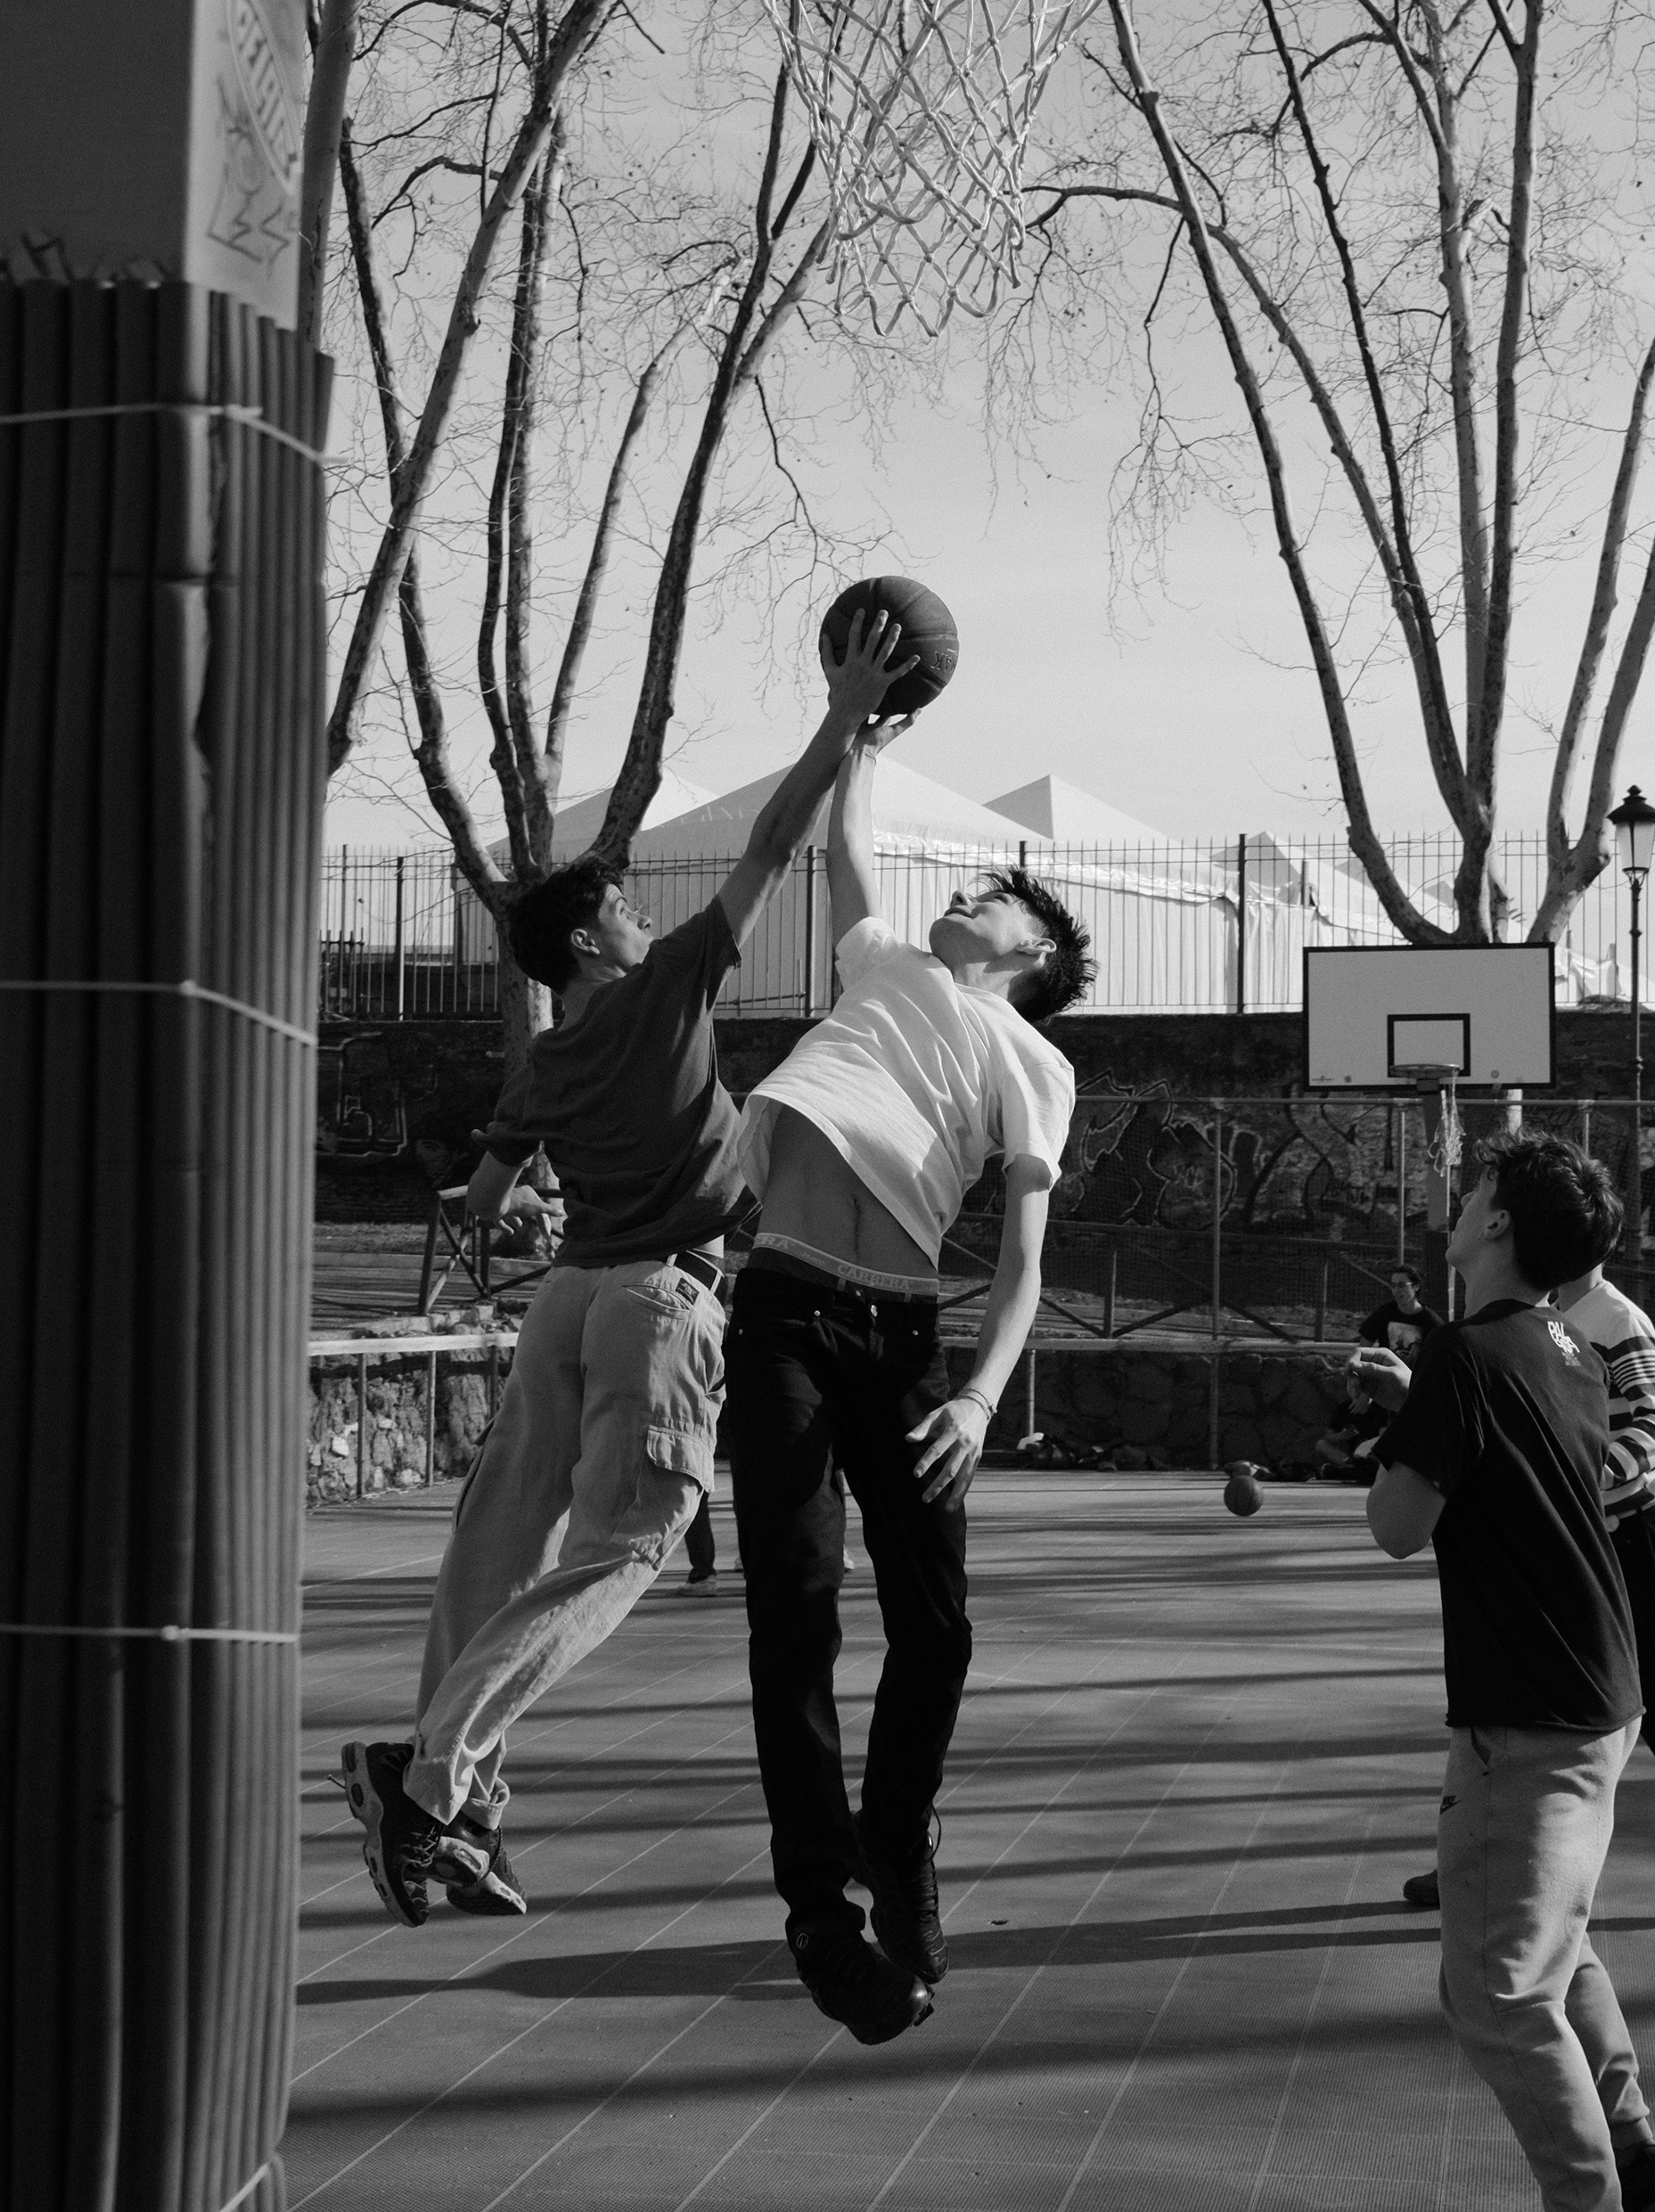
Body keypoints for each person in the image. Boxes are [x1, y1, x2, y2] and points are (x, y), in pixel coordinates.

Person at [338, 624, 908, 1928]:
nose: (643, 915)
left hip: (566, 1307)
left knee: (493, 1547)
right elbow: (774, 843)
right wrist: (843, 720)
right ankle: (424, 1779)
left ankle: (463, 1808)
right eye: (624, 907)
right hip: (658, 1300)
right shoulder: (662, 995)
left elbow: (484, 1207)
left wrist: (503, 1189)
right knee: (624, 1550)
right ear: (593, 944)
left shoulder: (542, 1062)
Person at [725, 712, 1094, 2046]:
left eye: (992, 890)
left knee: (936, 1629)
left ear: (1034, 950)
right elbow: (848, 847)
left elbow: (1027, 1266)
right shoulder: (881, 957)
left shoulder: (1032, 1062)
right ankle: (822, 1912)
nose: (963, 889)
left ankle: (900, 1835)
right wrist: (855, 729)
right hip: (779, 1313)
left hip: (901, 1348)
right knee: (797, 1612)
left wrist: (984, 1396)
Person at [1362, 1130, 1655, 2212]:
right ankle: (1638, 2162)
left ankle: (1591, 2197)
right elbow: (1528, 1470)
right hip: (1607, 1690)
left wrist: (1407, 1419)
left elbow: (1399, 1525)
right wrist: (1426, 1403)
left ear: (1498, 1222)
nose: (1459, 1198)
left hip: (1532, 1708)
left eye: (1477, 1188)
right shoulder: (1570, 1351)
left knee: (1495, 1992)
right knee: (1557, 1942)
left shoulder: (1465, 1354)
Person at [1388, 1205, 1655, 1922]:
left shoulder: (1614, 1318)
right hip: (1588, 1528)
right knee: (1529, 1689)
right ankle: (1479, 1853)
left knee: (1650, 1695)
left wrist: (1578, 1493)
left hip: (1626, 1530)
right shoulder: (1551, 1316)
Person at [1362, 1266, 1443, 1359]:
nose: (1396, 1291)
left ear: (1416, 1286)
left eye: (1401, 1285)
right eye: (1393, 1286)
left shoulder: (1431, 1321)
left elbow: (1438, 1358)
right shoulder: (1384, 1313)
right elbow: (1364, 1347)